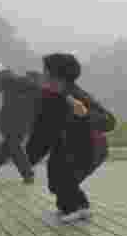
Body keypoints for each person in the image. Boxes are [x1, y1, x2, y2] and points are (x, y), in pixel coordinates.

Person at [24, 53, 116, 222]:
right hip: (67, 145)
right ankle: (80, 207)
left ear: (56, 75)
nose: (42, 74)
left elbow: (109, 121)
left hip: (91, 147)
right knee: (57, 174)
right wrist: (28, 159)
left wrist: (86, 114)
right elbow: (42, 132)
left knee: (63, 176)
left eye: (45, 71)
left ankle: (72, 209)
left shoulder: (76, 95)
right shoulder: (49, 98)